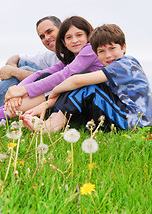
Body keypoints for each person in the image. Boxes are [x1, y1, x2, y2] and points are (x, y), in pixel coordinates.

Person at [21, 24, 152, 132]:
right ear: (96, 53)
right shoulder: (113, 68)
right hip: (124, 115)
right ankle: (52, 120)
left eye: (112, 48)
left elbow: (76, 80)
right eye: (101, 51)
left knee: (87, 87)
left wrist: (51, 98)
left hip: (136, 121)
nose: (108, 55)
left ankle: (50, 127)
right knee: (83, 85)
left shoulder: (126, 63)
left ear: (123, 47)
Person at [0, 16, 103, 121]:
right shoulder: (70, 57)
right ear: (63, 42)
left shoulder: (90, 49)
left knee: (61, 81)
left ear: (88, 35)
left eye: (79, 35)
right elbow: (42, 73)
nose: (74, 40)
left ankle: (4, 113)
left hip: (97, 103)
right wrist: (17, 90)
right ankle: (4, 113)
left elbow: (64, 75)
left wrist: (23, 90)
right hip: (76, 101)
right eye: (69, 37)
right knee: (45, 76)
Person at [0, 15, 61, 106]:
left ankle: (4, 109)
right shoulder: (51, 55)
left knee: (23, 69)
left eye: (49, 31)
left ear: (62, 28)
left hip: (57, 95)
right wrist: (11, 68)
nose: (47, 38)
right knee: (22, 63)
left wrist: (14, 72)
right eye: (42, 36)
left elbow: (54, 80)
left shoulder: (73, 52)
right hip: (44, 90)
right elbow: (16, 57)